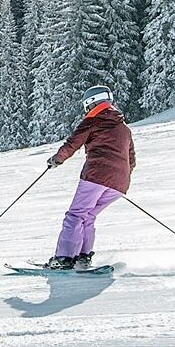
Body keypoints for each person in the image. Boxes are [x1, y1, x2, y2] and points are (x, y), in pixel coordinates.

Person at [43, 84, 135, 270]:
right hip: (120, 182)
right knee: (89, 215)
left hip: (95, 177)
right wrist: (117, 177)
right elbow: (131, 159)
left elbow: (73, 143)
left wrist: (56, 159)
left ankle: (64, 258)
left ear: (90, 104)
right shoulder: (124, 128)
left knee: (75, 215)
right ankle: (83, 257)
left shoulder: (92, 121)